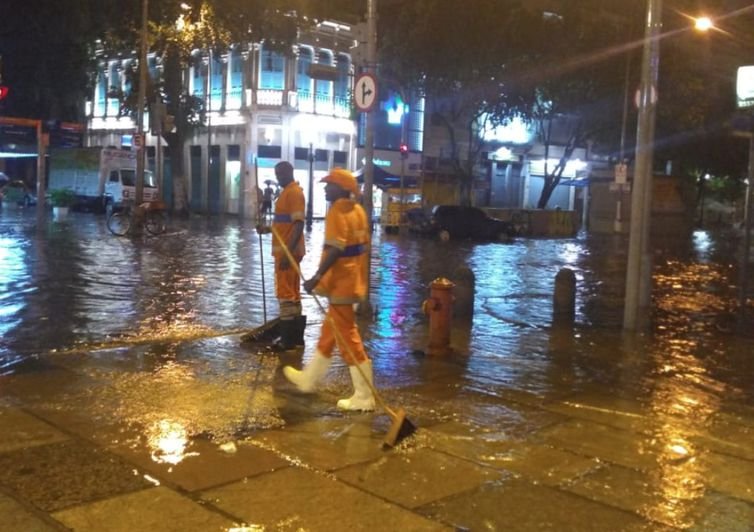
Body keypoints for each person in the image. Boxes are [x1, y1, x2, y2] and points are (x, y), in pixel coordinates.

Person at [282, 168, 375, 411]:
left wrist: (316, 276)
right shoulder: (359, 212)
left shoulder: (336, 211)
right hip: (353, 282)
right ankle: (309, 380)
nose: (325, 188)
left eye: (329, 185)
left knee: (348, 338)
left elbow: (336, 248)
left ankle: (364, 396)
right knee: (329, 333)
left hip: (341, 284)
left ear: (342, 189)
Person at [258, 161, 307, 350]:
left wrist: (287, 252)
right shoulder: (286, 193)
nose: (278, 177)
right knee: (293, 293)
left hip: (288, 253)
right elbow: (284, 225)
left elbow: (298, 224)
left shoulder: (294, 193)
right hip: (289, 251)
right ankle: (296, 340)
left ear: (290, 172)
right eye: (276, 174)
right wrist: (267, 229)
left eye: (281, 173)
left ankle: (287, 341)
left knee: (285, 293)